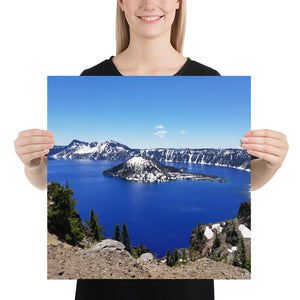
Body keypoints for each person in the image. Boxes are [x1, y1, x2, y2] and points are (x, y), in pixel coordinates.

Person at [14, 0, 289, 299]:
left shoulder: (209, 78)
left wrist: (272, 163)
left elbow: (252, 179)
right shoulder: (90, 76)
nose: (149, 3)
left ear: (178, 3)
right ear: (121, 3)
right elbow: (45, 183)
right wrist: (32, 164)